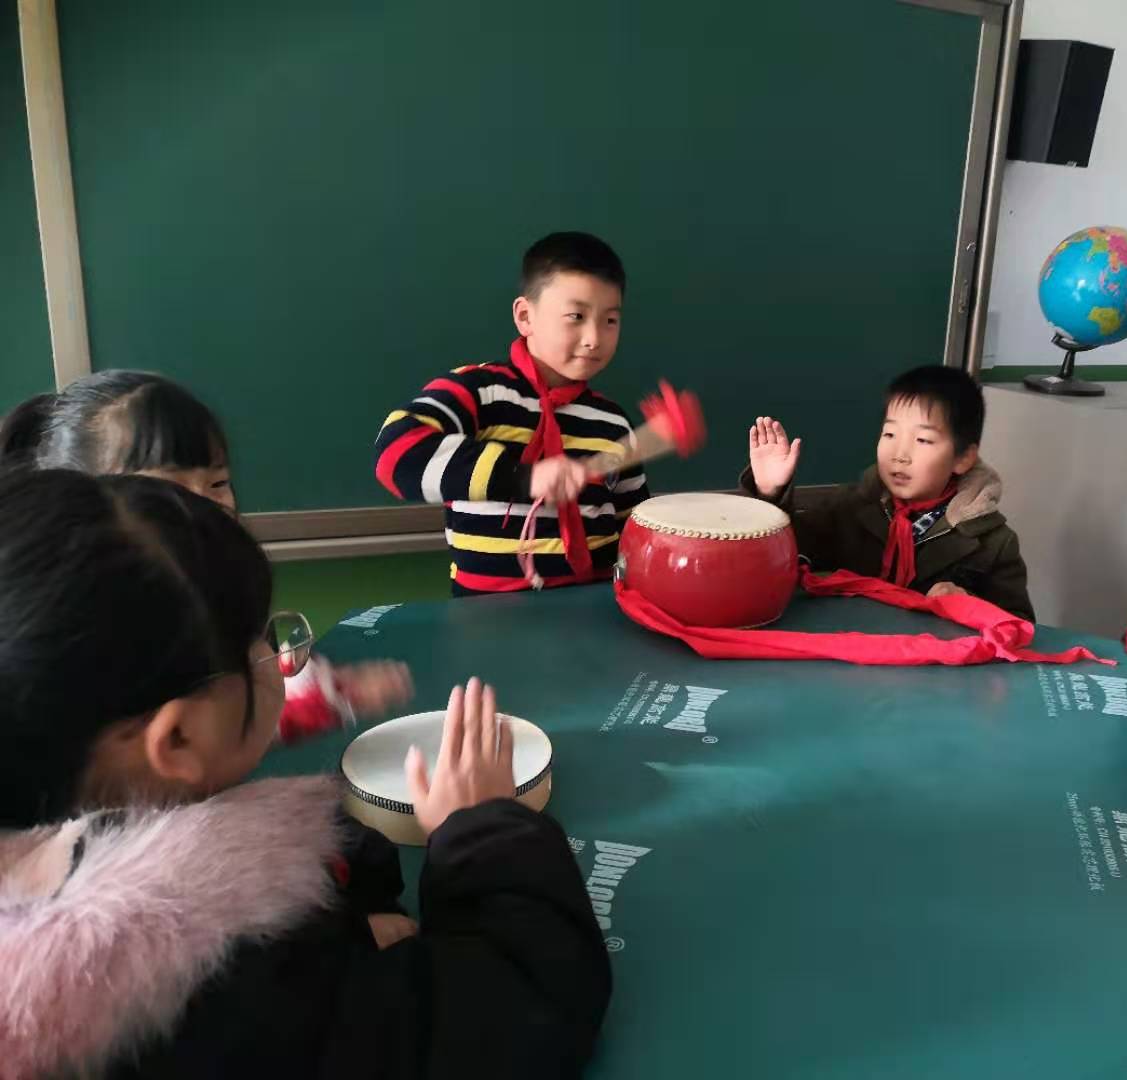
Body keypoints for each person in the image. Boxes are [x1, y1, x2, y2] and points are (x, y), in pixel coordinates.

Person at [0, 471, 611, 1078]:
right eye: (260, 641)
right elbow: (518, 1008)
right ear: (179, 739)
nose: (280, 657)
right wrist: (481, 831)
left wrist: (344, 930)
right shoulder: (213, 991)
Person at [0, 370, 412, 741]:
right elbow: (199, 742)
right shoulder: (93, 631)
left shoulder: (217, 587)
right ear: (84, 503)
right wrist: (308, 707)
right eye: (171, 488)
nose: (207, 505)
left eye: (218, 482)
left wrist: (301, 685)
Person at [375, 231, 650, 594]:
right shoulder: (478, 391)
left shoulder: (612, 422)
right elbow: (395, 455)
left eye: (610, 320)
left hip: (595, 607)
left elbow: (635, 530)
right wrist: (523, 478)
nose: (594, 338)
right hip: (487, 612)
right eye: (576, 316)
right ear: (525, 316)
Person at [742, 364, 1034, 619]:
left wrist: (969, 605)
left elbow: (1021, 626)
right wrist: (770, 493)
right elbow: (784, 553)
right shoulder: (851, 507)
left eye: (922, 440)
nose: (900, 455)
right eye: (890, 434)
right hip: (853, 656)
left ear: (963, 458)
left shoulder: (993, 543)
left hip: (934, 664)